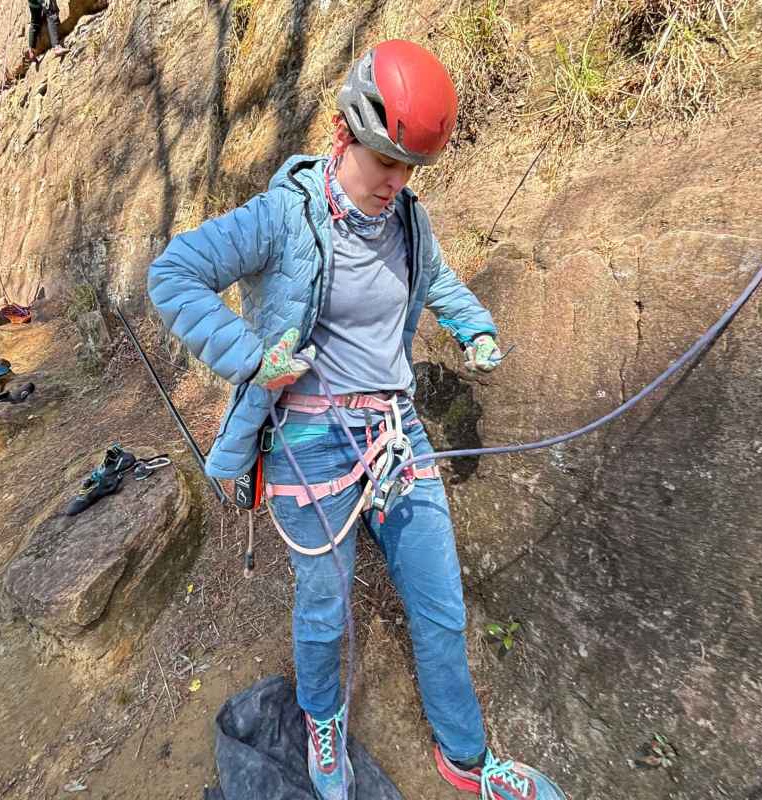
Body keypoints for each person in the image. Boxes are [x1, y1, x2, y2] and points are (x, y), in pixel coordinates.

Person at [149, 40, 564, 800]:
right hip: (309, 441)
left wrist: (473, 325)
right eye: (386, 163)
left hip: (397, 434)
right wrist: (249, 356)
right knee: (323, 607)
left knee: (440, 600)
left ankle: (467, 759)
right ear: (345, 135)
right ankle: (322, 723)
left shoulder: (408, 219)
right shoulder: (283, 217)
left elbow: (434, 278)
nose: (397, 184)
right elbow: (172, 273)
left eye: (411, 169)